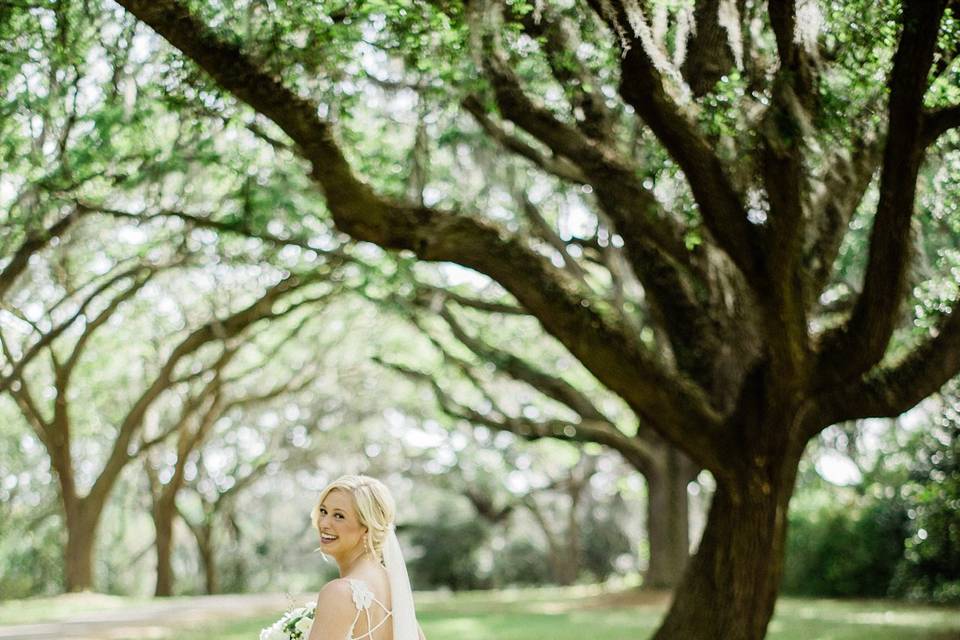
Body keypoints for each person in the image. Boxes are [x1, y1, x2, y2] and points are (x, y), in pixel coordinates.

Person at [306, 475, 426, 640]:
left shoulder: (339, 592)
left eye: (339, 516)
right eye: (323, 511)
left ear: (367, 527)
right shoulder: (395, 585)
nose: (324, 523)